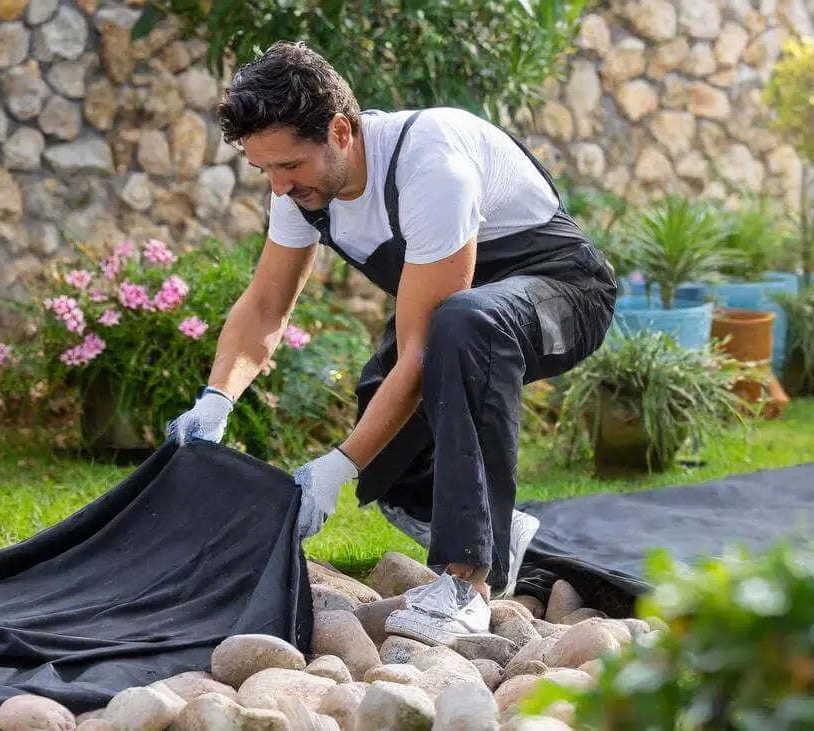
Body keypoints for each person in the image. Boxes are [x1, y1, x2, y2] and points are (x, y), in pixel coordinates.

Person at [165, 41, 616, 647]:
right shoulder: (302, 193)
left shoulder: (430, 166)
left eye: (289, 166)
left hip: (564, 292)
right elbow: (265, 306)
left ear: (342, 132)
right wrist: (215, 400)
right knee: (388, 436)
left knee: (459, 330)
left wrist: (334, 468)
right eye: (265, 169)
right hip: (468, 306)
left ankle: (467, 584)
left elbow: (429, 348)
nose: (278, 186)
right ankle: (498, 534)